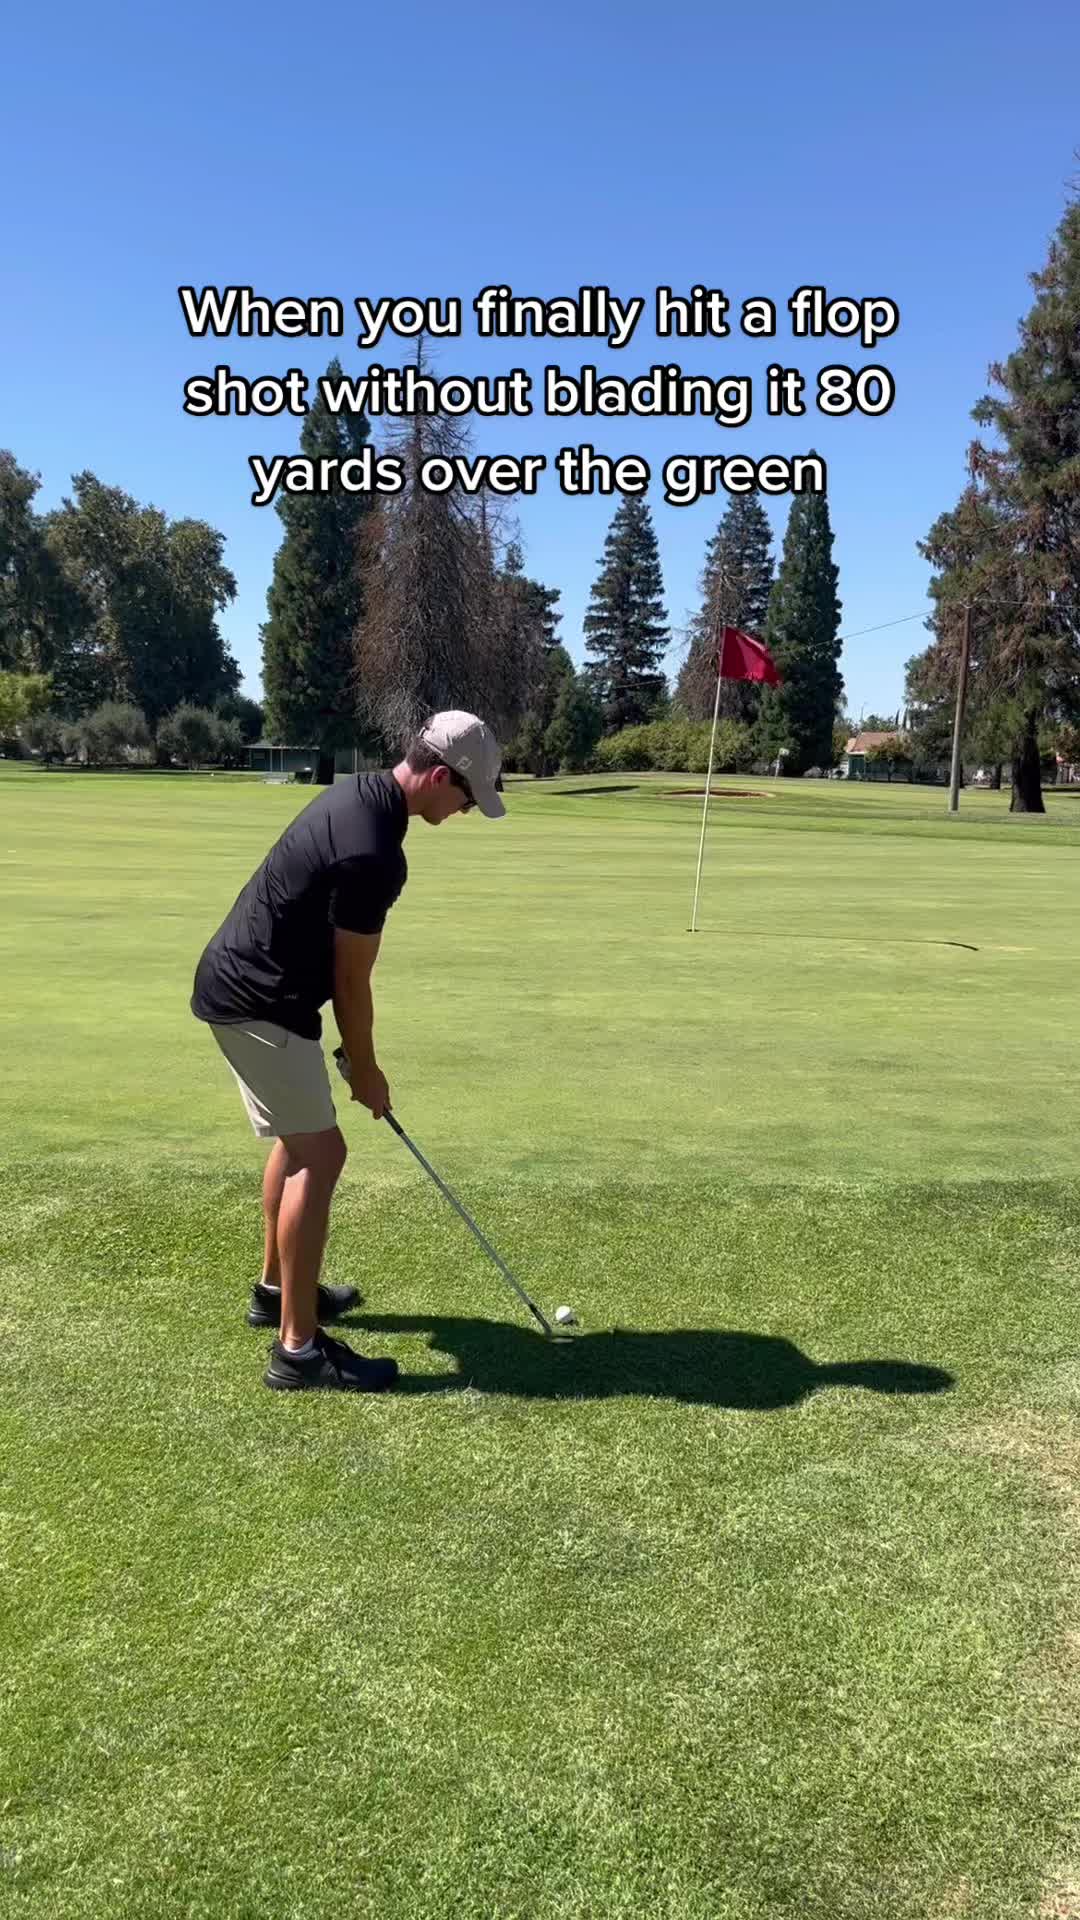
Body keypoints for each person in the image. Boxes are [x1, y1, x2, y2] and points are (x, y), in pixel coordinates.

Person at [191, 711, 505, 1393]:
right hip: (260, 1001)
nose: (465, 811)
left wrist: (355, 1059)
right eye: (467, 797)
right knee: (321, 1153)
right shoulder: (374, 852)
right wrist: (365, 1069)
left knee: (298, 1140)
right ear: (441, 776)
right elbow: (351, 980)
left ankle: (278, 1293)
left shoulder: (360, 794)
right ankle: (297, 1351)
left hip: (249, 989)